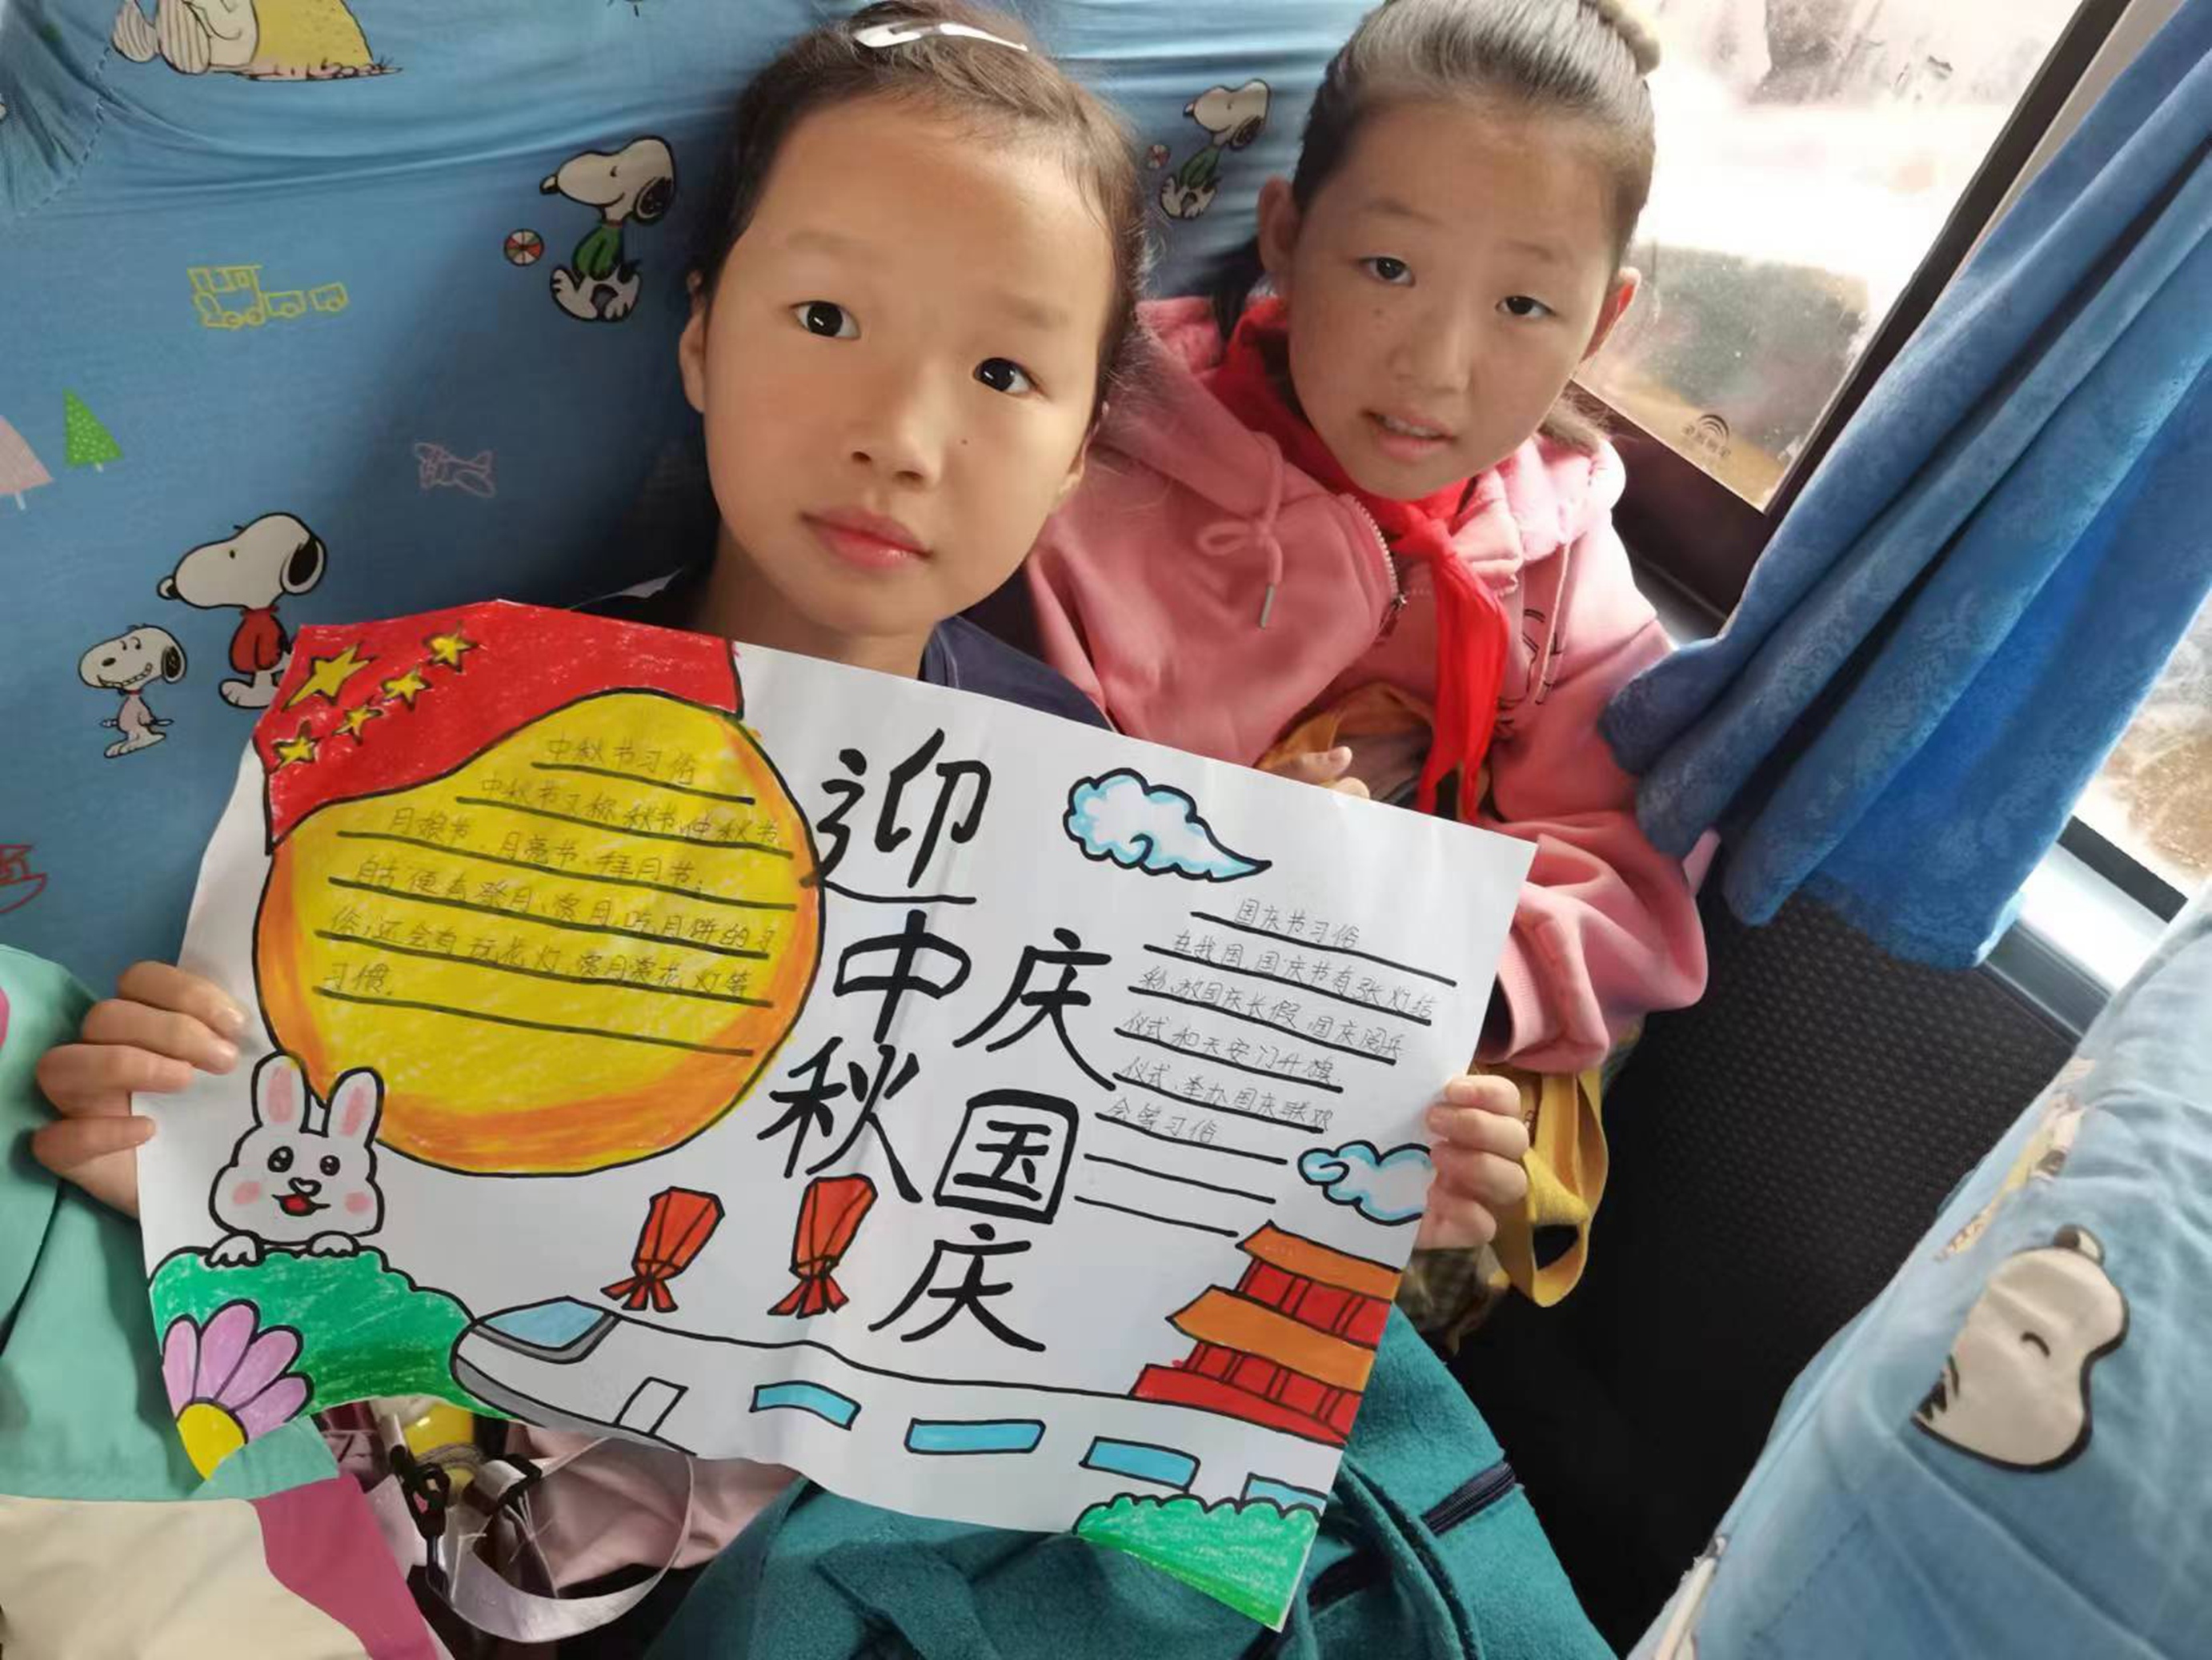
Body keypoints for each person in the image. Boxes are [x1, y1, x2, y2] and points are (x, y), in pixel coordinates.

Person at [30, 0, 1532, 1291]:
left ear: (1082, 448)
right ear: (699, 337)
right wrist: (182, 1144)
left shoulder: (1081, 803)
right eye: (824, 317)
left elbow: (1078, 1217)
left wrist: (1340, 1182)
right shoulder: (468, 727)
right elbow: (361, 1157)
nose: (900, 437)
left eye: (1005, 372)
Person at [1025, 0, 1708, 1319]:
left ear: (1602, 322)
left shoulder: (1559, 554)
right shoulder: (1094, 477)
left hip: (1360, 1114)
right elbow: (1018, 832)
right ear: (1287, 233)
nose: (1436, 366)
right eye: (1389, 268)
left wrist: (1426, 991)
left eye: (1524, 304)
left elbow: (1623, 876)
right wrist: (1242, 862)